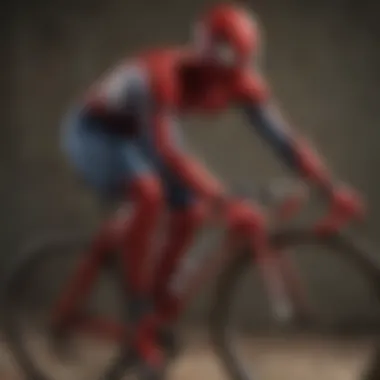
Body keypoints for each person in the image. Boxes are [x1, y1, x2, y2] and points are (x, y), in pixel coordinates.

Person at [61, 2, 363, 374]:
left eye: (232, 71)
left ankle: (155, 312)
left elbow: (284, 140)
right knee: (148, 192)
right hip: (96, 132)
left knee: (191, 211)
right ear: (202, 56)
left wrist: (330, 189)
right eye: (217, 72)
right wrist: (223, 198)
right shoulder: (161, 74)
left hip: (140, 135)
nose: (225, 83)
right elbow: (167, 149)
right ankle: (139, 314)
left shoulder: (241, 80)